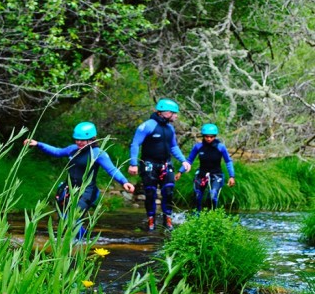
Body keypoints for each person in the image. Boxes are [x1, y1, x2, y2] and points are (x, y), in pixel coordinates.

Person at [24, 122, 135, 239]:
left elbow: (111, 169)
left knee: (71, 218)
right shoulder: (73, 149)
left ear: (92, 139)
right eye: (77, 139)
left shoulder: (98, 154)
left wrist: (124, 181)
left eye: (82, 140)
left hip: (87, 192)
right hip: (68, 189)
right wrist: (38, 144)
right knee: (64, 218)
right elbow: (57, 152)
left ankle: (82, 241)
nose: (79, 142)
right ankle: (84, 239)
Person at [128, 98, 191, 231]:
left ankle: (167, 220)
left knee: (168, 191)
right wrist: (133, 163)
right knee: (150, 193)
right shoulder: (147, 126)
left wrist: (184, 160)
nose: (176, 116)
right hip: (149, 164)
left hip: (166, 164)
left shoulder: (170, 128)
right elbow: (135, 144)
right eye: (174, 113)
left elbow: (173, 146)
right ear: (166, 113)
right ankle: (151, 221)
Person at [175, 123, 235, 212]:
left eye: (211, 137)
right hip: (201, 174)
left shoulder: (220, 147)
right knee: (198, 196)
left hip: (216, 175)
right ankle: (197, 216)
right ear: (203, 136)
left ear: (215, 136)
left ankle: (213, 215)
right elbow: (189, 160)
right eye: (207, 136)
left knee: (213, 196)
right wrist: (180, 171)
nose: (209, 139)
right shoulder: (198, 147)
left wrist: (231, 176)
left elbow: (228, 161)